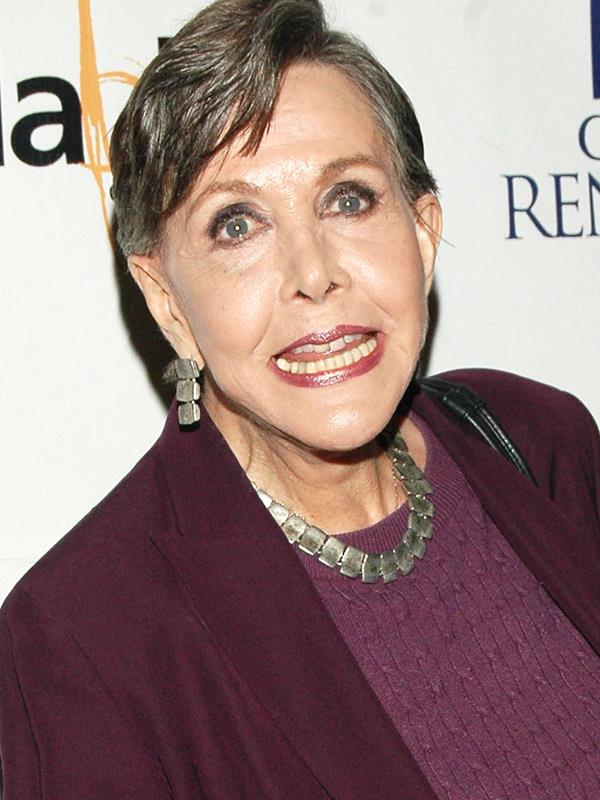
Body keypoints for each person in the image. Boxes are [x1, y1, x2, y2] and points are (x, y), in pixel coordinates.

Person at [1, 0, 599, 797]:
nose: (313, 274)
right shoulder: (84, 637)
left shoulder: (539, 441)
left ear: (423, 233)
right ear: (166, 301)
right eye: (236, 225)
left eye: (348, 199)